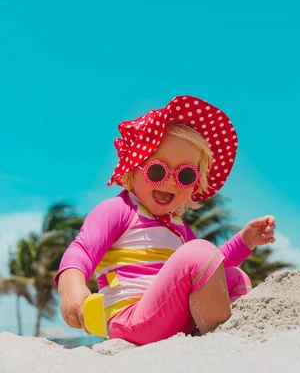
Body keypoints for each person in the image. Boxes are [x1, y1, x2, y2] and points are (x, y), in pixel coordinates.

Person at [54, 95, 276, 346]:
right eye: (157, 170)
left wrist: (245, 241)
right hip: (130, 319)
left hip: (171, 321)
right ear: (134, 168)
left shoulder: (179, 228)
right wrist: (71, 289)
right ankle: (217, 342)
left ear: (195, 184)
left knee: (234, 277)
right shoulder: (118, 210)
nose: (170, 180)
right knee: (200, 252)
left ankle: (232, 333)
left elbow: (212, 264)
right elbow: (82, 250)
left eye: (185, 174)